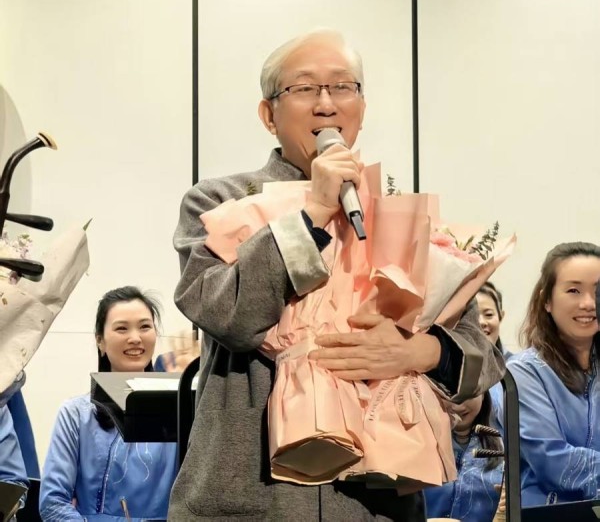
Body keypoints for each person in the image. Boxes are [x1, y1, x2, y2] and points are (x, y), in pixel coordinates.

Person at [169, 29, 505, 521]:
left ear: (361, 109)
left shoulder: (399, 213)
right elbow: (229, 316)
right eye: (305, 88)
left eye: (343, 87)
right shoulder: (218, 202)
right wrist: (314, 211)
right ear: (268, 115)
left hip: (375, 503)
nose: (326, 104)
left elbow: (484, 358)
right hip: (251, 499)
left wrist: (419, 351)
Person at [39, 286, 178, 521]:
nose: (135, 338)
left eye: (145, 326)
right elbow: (52, 505)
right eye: (122, 328)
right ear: (100, 341)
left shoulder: (181, 411)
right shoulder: (76, 414)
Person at [503, 242, 600, 506]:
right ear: (546, 300)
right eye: (573, 290)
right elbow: (553, 460)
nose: (589, 303)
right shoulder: (523, 372)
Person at [424, 392, 503, 522]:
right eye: (448, 394)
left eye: (467, 394)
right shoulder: (413, 444)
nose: (458, 406)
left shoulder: (508, 446)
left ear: (483, 393)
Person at [477, 282, 512, 360]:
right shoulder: (451, 363)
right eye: (473, 315)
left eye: (488, 314)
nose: (481, 322)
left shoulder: (514, 365)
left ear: (501, 316)